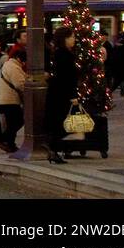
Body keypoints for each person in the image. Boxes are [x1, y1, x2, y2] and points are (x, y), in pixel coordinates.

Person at [45, 26, 79, 164]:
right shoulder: (65, 54)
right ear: (64, 39)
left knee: (59, 122)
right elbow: (67, 77)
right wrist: (73, 95)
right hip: (62, 93)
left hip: (56, 92)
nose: (74, 40)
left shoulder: (58, 52)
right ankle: (52, 147)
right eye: (72, 37)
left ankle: (53, 149)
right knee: (62, 122)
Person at [0, 47, 28, 152]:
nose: (24, 63)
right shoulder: (13, 67)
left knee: (12, 122)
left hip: (6, 98)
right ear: (18, 58)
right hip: (10, 99)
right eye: (23, 60)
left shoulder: (9, 65)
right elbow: (19, 84)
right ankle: (3, 139)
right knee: (18, 121)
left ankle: (10, 143)